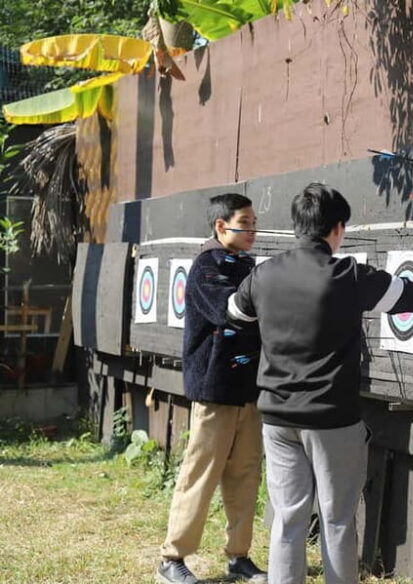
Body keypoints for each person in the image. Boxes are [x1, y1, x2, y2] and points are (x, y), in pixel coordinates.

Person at [227, 183, 413, 584]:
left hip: (277, 418)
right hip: (331, 420)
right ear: (336, 228)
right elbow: (412, 297)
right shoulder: (349, 274)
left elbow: (235, 313)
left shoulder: (263, 274)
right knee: (336, 520)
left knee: (288, 518)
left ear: (297, 226)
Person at [158, 193, 268, 584]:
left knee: (245, 474)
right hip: (215, 390)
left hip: (249, 391)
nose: (253, 229)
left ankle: (238, 556)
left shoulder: (248, 265)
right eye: (245, 222)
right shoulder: (207, 266)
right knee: (200, 475)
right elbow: (230, 311)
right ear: (221, 226)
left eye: (255, 222)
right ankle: (172, 558)